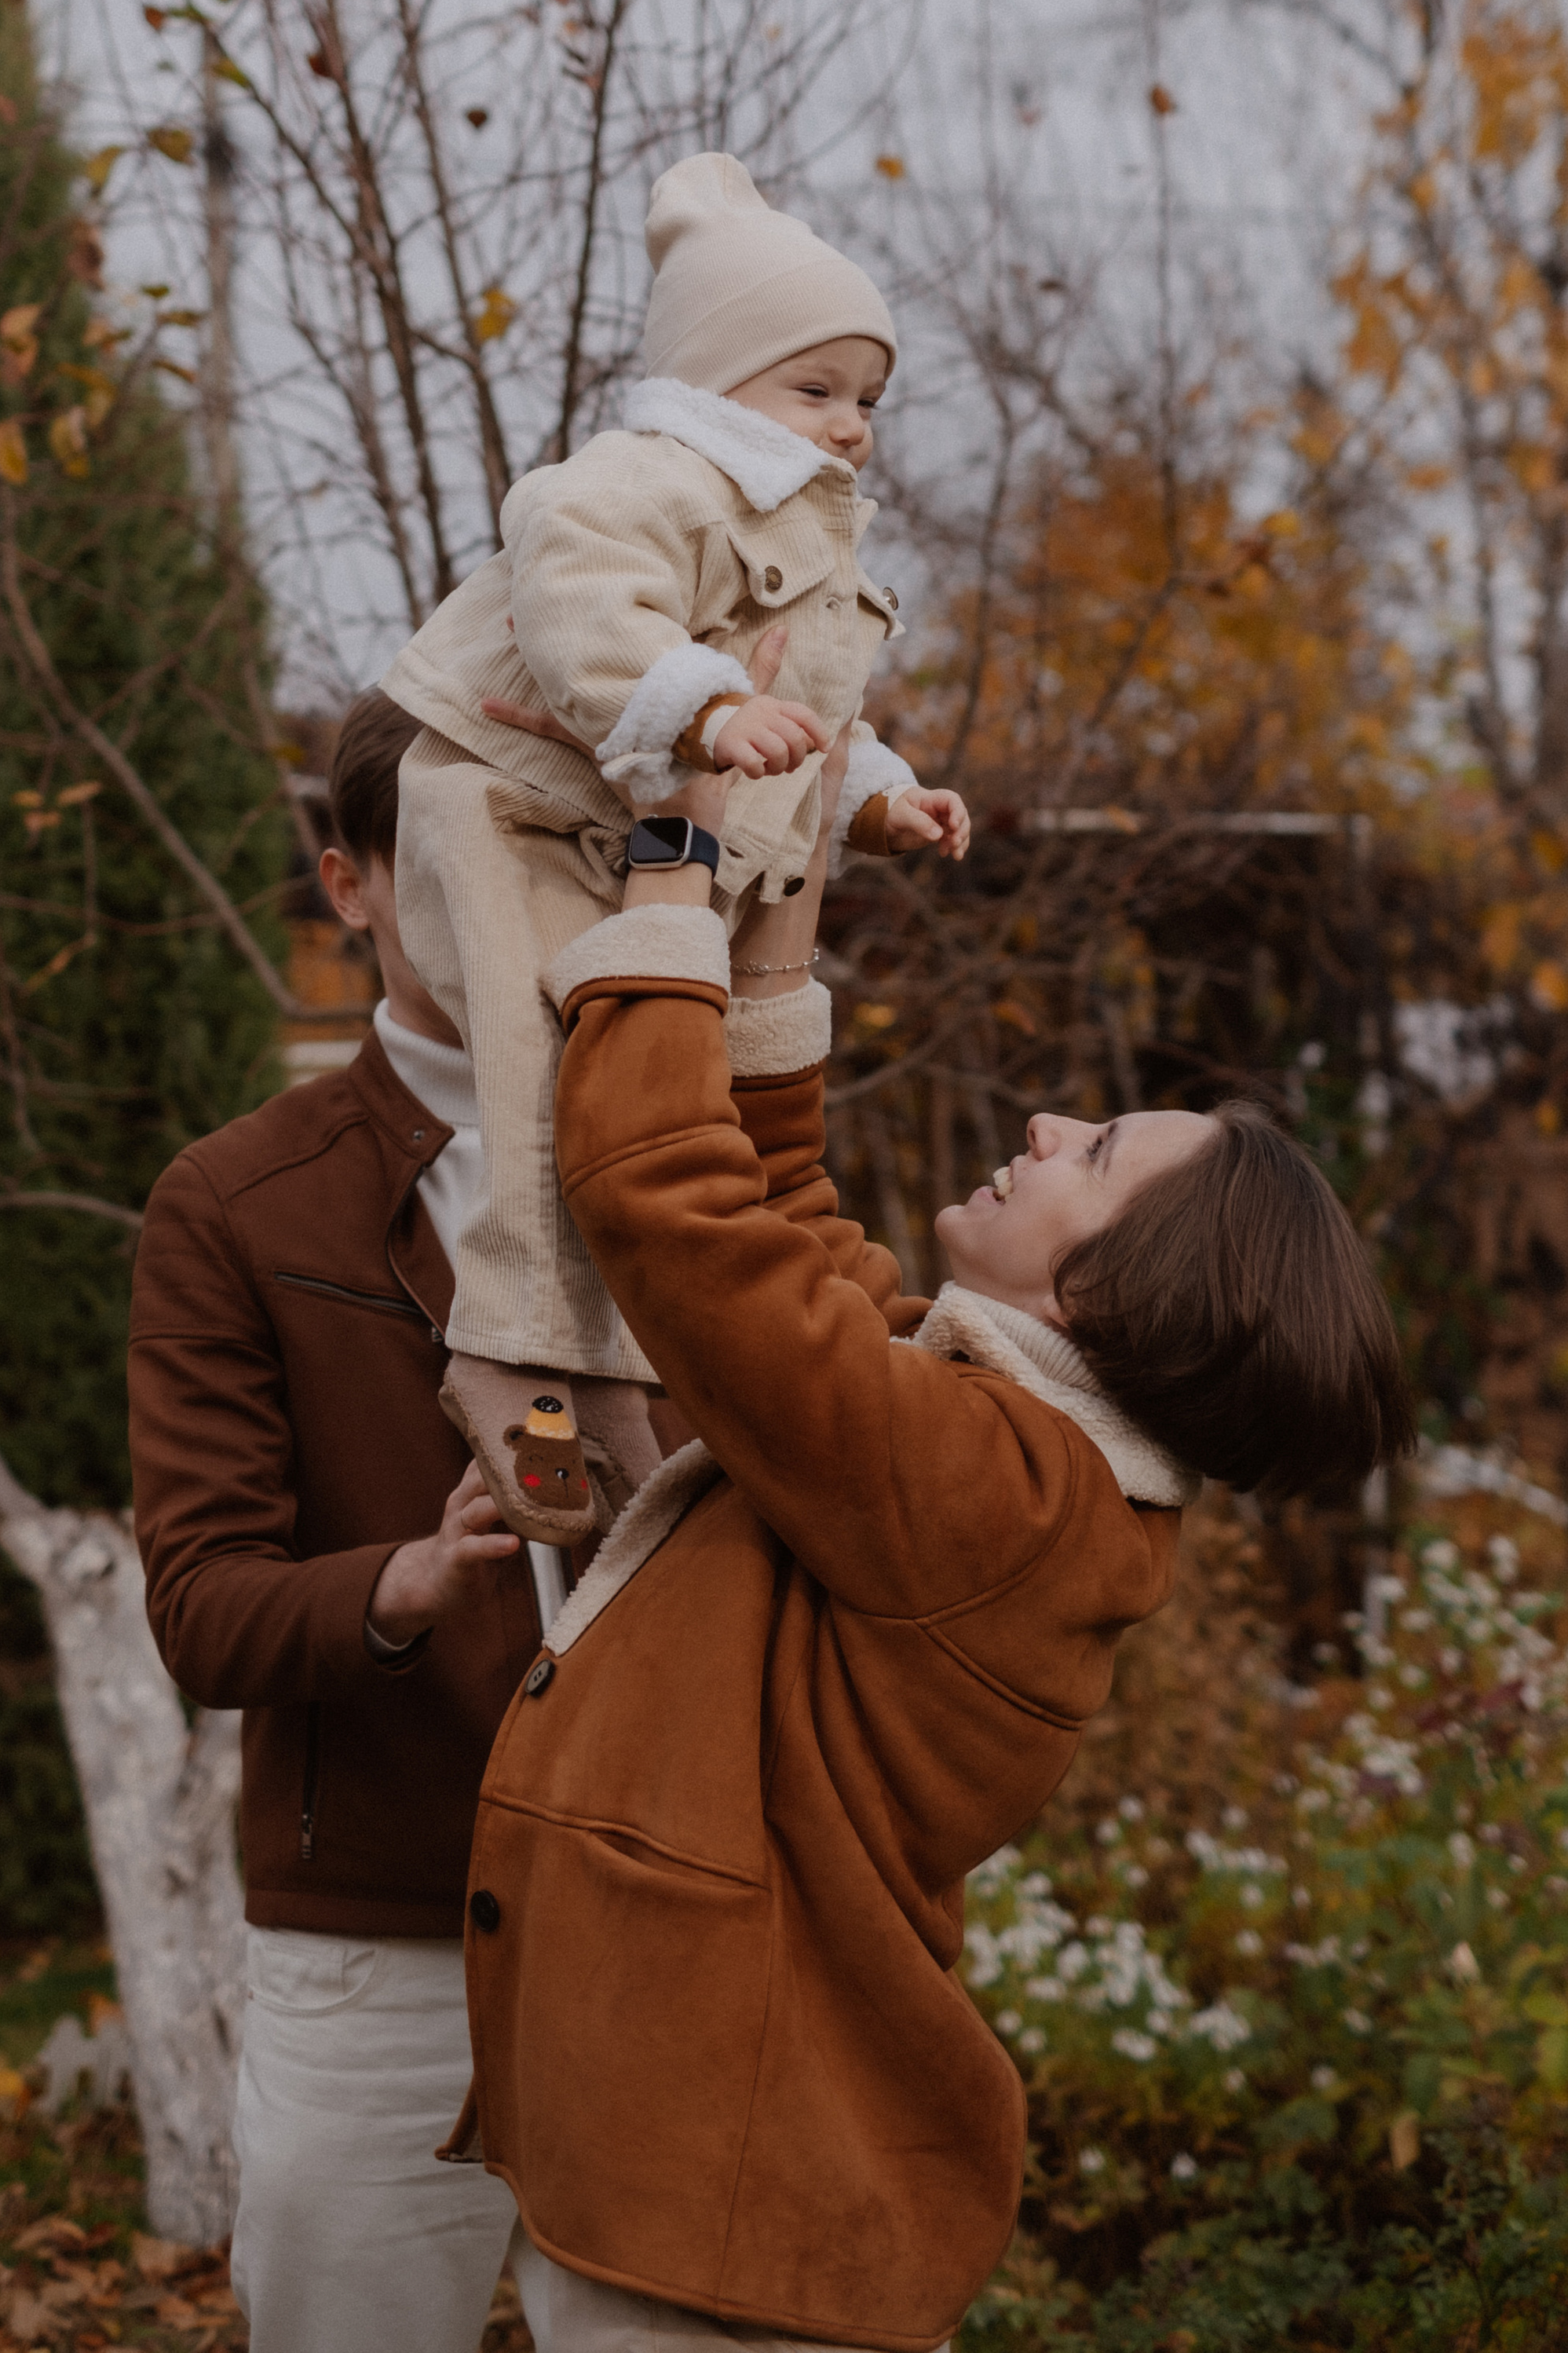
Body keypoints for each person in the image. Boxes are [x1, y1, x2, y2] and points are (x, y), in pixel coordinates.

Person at [443, 716, 1416, 2353]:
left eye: (1092, 1155)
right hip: (711, 2184)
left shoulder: (997, 1498)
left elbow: (678, 1217)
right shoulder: (999, 1456)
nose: (1044, 1124)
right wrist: (776, 901)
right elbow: (790, 1226)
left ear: (1117, 1296)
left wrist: (672, 885)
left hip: (730, 2216)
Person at [378, 152, 971, 1542]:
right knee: (544, 1071)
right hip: (501, 796)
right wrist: (700, 706)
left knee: (639, 1100)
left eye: (868, 399)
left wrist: (878, 796)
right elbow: (574, 579)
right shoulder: (651, 474)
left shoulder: (814, 546)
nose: (851, 428)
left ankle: (612, 1374)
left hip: (619, 837)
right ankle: (507, 1351)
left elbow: (817, 711)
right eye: (815, 389)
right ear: (713, 383)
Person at [128, 687, 539, 2353]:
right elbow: (204, 1609)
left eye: (534, 848)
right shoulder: (232, 1203)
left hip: (680, 1922)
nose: (500, 898)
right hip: (382, 1947)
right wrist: (407, 1582)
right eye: (443, 853)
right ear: (351, 883)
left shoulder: (680, 1164)